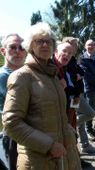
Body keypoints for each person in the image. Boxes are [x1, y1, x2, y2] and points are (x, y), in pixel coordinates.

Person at [2, 22, 81, 170]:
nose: (45, 44)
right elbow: (11, 122)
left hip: (66, 156)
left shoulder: (53, 76)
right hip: (38, 160)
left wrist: (69, 132)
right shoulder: (21, 77)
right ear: (30, 46)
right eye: (39, 41)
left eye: (49, 41)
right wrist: (49, 145)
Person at [0, 33, 27, 170]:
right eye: (13, 47)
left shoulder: (25, 74)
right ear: (3, 51)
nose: (18, 51)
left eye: (21, 47)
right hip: (13, 136)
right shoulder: (4, 76)